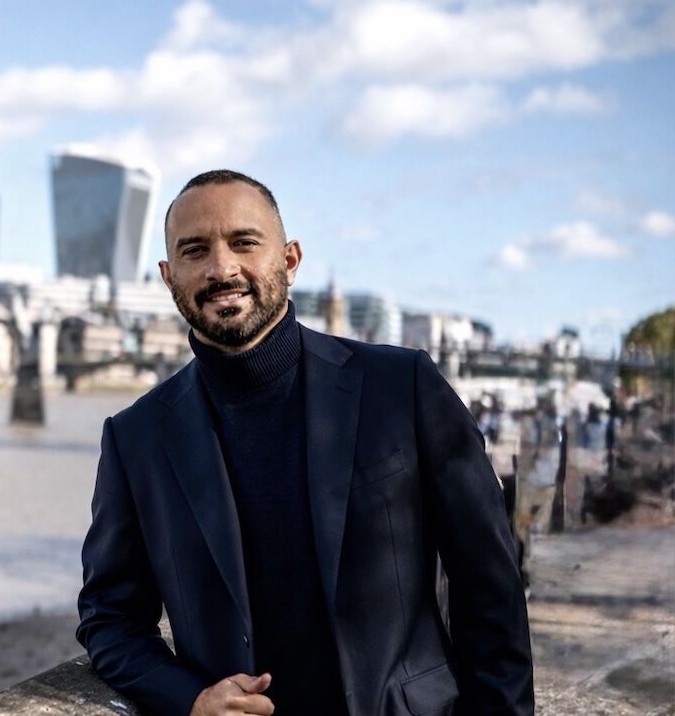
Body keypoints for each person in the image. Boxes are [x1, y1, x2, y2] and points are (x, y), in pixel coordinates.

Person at [77, 170, 533, 716]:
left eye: (244, 242)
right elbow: (110, 617)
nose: (222, 268)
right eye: (195, 251)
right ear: (169, 275)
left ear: (289, 261)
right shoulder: (136, 438)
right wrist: (189, 698)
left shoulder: (401, 387)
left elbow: (489, 586)